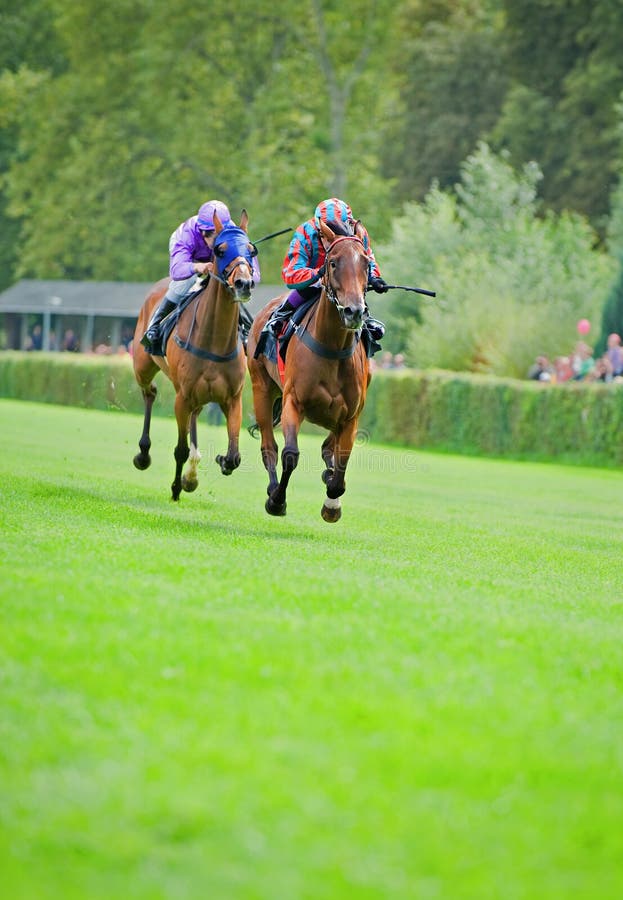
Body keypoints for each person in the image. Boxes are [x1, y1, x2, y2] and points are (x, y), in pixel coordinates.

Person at [260, 198, 388, 347]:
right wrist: (319, 273)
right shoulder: (305, 232)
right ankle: (280, 316)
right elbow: (291, 273)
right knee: (308, 289)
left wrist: (374, 278)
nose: (329, 236)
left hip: (344, 283)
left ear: (348, 225)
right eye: (325, 230)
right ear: (318, 225)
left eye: (337, 230)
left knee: (356, 295)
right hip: (313, 282)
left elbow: (368, 259)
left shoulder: (358, 232)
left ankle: (367, 327)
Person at [141, 200, 260, 355]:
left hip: (214, 261)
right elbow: (176, 272)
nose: (217, 242)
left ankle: (244, 328)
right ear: (202, 232)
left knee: (229, 283)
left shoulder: (233, 233)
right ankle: (154, 325)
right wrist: (197, 267)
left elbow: (255, 274)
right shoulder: (187, 236)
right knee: (186, 281)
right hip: (190, 257)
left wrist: (242, 272)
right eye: (214, 238)